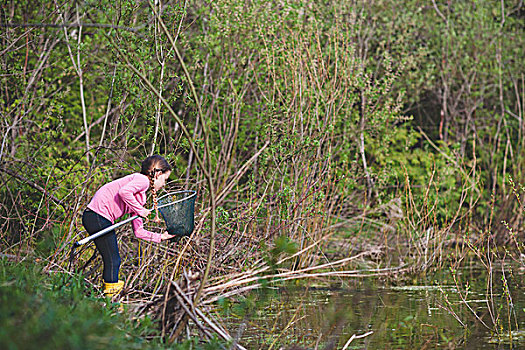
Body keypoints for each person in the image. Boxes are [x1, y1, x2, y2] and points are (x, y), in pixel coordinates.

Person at [82, 155, 175, 298]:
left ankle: (109, 300)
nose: (164, 184)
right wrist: (140, 210)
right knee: (113, 260)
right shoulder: (142, 180)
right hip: (97, 215)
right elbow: (123, 192)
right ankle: (111, 304)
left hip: (95, 217)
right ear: (157, 174)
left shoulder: (139, 197)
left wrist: (161, 237)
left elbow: (138, 231)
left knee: (112, 259)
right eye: (165, 179)